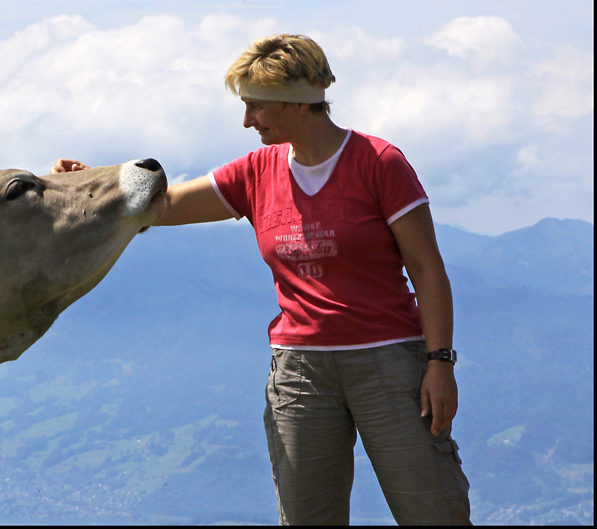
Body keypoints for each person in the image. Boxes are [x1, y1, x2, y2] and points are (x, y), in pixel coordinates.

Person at [51, 33, 471, 526]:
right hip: (300, 372)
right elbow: (162, 208)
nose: (247, 120)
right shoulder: (256, 171)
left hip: (389, 364)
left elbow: (427, 269)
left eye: (255, 106)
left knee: (432, 513)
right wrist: (84, 181)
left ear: (296, 102)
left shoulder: (379, 163)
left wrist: (439, 363)